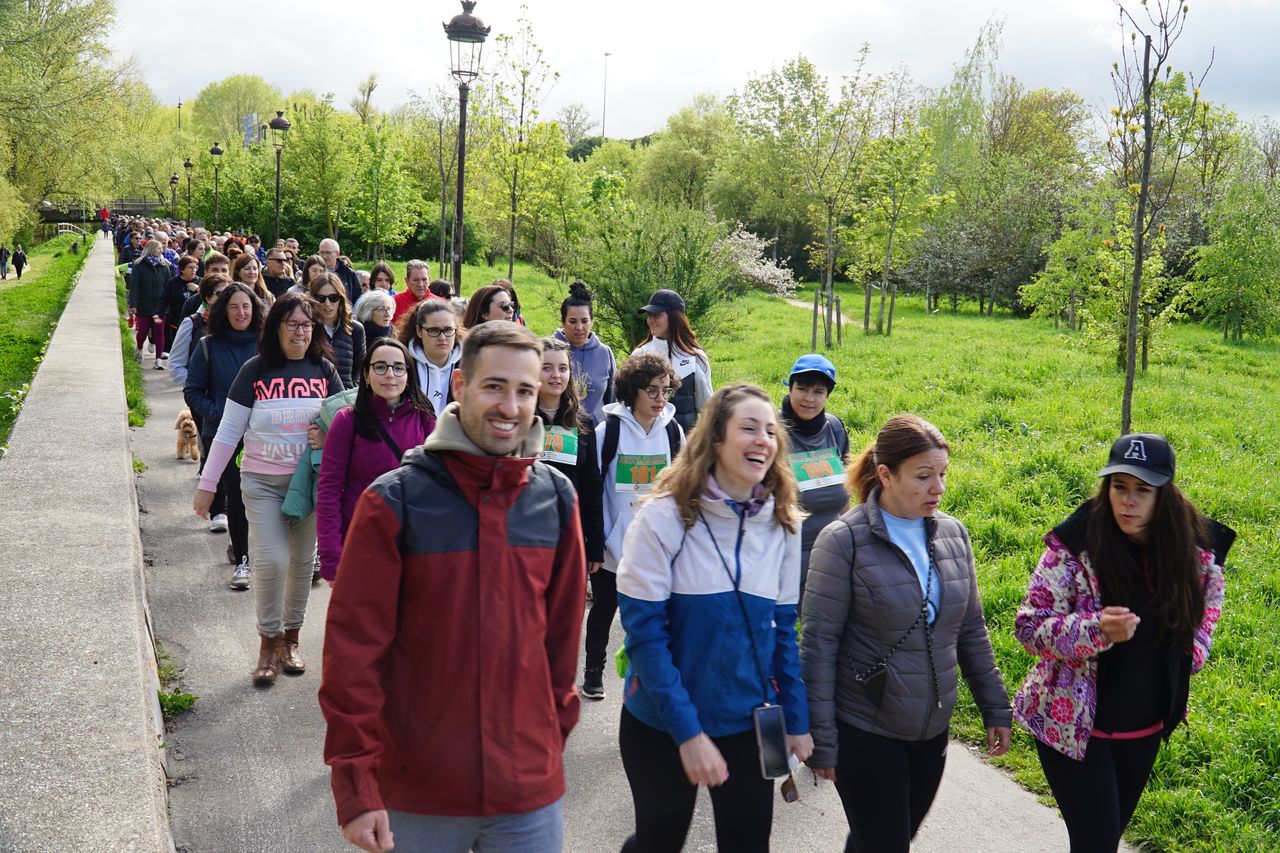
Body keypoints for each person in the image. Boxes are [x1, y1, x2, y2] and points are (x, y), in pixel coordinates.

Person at [319, 322, 586, 853]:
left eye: (525, 391)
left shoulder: (556, 500)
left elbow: (560, 645)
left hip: (527, 795)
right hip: (419, 796)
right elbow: (353, 655)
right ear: (460, 386)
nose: (510, 406)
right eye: (494, 387)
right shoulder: (393, 502)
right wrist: (357, 786)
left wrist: (548, 740)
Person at [800, 414, 1012, 853]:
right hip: (864, 728)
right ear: (885, 474)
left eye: (942, 474)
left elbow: (970, 628)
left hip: (931, 728)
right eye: (923, 476)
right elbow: (819, 646)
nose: (939, 488)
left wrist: (995, 707)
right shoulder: (842, 542)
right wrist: (822, 737)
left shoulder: (954, 535)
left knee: (879, 840)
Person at [616, 383, 811, 852]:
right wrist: (689, 734)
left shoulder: (784, 523)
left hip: (746, 721)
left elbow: (784, 633)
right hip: (660, 723)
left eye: (770, 430)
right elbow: (646, 640)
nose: (763, 438)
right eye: (748, 427)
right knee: (658, 843)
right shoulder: (663, 518)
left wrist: (799, 721)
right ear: (716, 438)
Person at [1013, 433, 1230, 853]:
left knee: (1101, 841)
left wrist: (1194, 654)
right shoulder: (1074, 546)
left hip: (1143, 728)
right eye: (1119, 487)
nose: (1127, 501)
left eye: (1142, 491)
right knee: (1096, 844)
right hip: (1073, 729)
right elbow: (1029, 627)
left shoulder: (1195, 551)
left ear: (1163, 494)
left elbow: (1208, 607)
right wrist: (1095, 630)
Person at [193, 293, 343, 687]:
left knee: (301, 565)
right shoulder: (254, 371)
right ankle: (267, 643)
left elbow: (346, 426)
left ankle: (291, 640)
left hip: (308, 486)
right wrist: (207, 486)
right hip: (261, 482)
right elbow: (228, 431)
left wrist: (326, 434)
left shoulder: (325, 371)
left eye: (307, 325)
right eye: (292, 324)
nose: (300, 332)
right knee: (272, 561)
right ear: (276, 327)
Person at [589, 353, 685, 706]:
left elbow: (681, 489)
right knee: (603, 610)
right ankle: (593, 674)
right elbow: (593, 488)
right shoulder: (608, 431)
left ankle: (645, 679)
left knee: (650, 618)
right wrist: (595, 544)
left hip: (655, 548)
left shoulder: (673, 432)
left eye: (666, 390)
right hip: (612, 544)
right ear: (633, 391)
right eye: (652, 391)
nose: (660, 399)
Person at [315, 339, 436, 584]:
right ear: (367, 376)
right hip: (361, 540)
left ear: (408, 375)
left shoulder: (424, 417)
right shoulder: (347, 421)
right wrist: (331, 558)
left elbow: (439, 484)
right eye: (380, 367)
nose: (389, 374)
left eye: (398, 367)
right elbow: (328, 490)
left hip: (412, 542)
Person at [537, 338, 606, 694]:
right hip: (529, 536)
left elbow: (592, 486)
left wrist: (594, 545)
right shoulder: (520, 417)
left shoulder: (582, 422)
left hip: (571, 535)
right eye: (547, 367)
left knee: (564, 618)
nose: (556, 375)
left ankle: (554, 685)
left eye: (562, 368)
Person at [184, 283, 262, 588]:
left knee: (267, 499)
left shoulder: (267, 343)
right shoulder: (208, 346)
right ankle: (243, 559)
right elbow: (192, 390)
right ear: (223, 311)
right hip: (225, 434)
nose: (241, 312)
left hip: (263, 435)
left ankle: (255, 550)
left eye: (246, 306)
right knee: (237, 498)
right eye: (234, 307)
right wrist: (218, 413)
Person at [778, 354, 850, 599]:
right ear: (790, 388)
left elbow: (846, 492)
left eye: (818, 391)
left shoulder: (835, 428)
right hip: (784, 556)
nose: (809, 398)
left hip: (832, 553)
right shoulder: (770, 431)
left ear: (827, 396)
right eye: (802, 389)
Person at [634, 289, 712, 434]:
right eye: (649, 315)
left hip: (686, 447)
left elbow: (706, 407)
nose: (650, 320)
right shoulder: (639, 355)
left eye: (656, 315)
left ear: (674, 317)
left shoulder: (697, 356)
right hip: (650, 445)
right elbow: (626, 404)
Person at [553, 281, 616, 422]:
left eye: (584, 321)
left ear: (592, 322)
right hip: (558, 432)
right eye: (573, 321)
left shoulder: (604, 353)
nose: (579, 327)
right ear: (563, 322)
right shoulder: (548, 350)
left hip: (596, 433)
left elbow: (611, 400)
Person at [399, 299, 463, 417]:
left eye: (448, 330)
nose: (442, 337)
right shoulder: (402, 363)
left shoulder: (469, 365)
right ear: (419, 331)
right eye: (434, 330)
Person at [170, 273, 231, 389]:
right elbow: (175, 366)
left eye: (230, 293)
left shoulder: (238, 323)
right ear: (208, 298)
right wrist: (199, 385)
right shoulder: (192, 324)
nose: (227, 298)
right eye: (221, 294)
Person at [309, 272, 365, 390]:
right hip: (315, 397)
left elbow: (360, 370)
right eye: (321, 299)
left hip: (346, 399)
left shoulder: (356, 329)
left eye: (333, 298)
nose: (327, 304)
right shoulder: (307, 328)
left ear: (341, 298)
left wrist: (353, 391)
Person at [128, 239, 171, 369]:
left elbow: (168, 285)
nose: (162, 250)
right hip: (143, 305)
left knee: (159, 332)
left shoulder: (164, 266)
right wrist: (132, 304)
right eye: (159, 248)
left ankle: (158, 359)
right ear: (151, 249)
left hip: (159, 307)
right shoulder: (139, 265)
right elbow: (134, 286)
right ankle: (139, 348)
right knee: (143, 331)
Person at [161, 255, 201, 357]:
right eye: (190, 267)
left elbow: (209, 298)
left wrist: (197, 289)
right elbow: (164, 299)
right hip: (176, 321)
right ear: (182, 269)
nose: (194, 270)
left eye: (195, 267)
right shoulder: (173, 283)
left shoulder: (201, 282)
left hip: (197, 321)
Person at [318, 238, 361, 304]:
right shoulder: (314, 272)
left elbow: (357, 298)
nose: (324, 256)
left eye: (328, 253)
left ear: (337, 254)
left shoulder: (348, 273)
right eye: (321, 252)